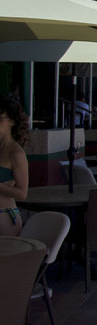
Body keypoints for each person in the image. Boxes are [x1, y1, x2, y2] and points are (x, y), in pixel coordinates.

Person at [0, 99, 29, 235]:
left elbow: (22, 193)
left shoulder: (16, 153)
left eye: (0, 119)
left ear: (12, 121)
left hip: (4, 216)